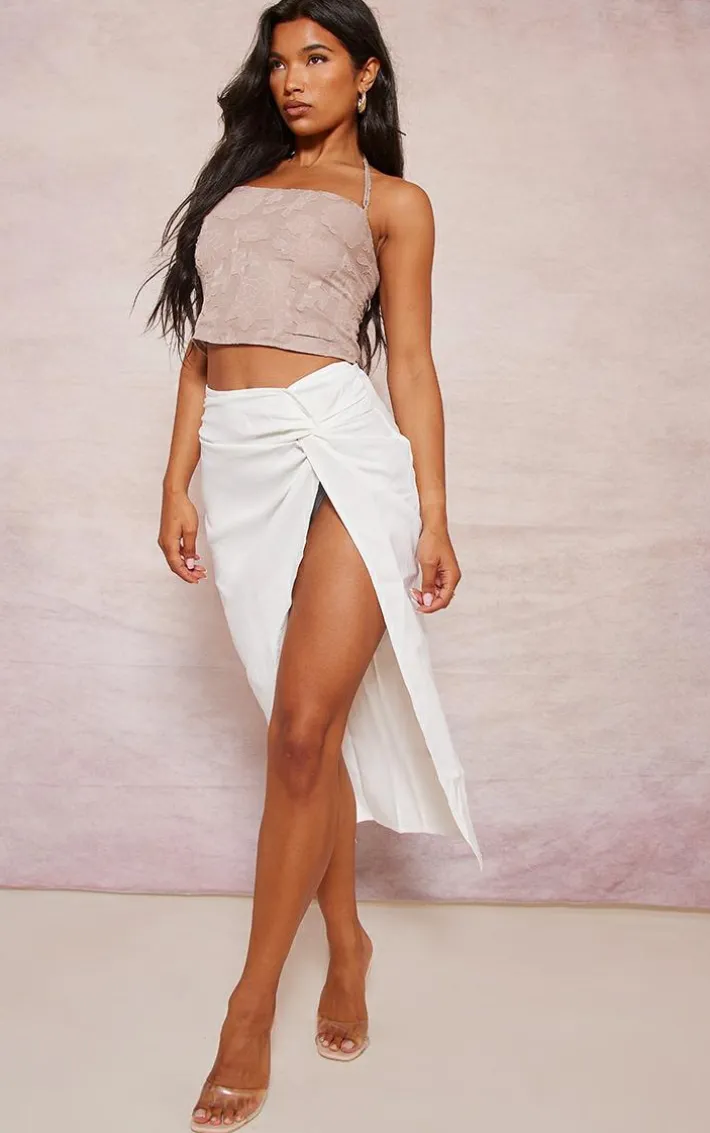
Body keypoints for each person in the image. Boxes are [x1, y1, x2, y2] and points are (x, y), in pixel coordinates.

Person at [138, 2, 483, 1128]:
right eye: (280, 62)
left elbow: (412, 362)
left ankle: (247, 1011)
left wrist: (434, 514)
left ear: (364, 74)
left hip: (342, 450)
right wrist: (177, 477)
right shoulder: (234, 190)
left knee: (298, 732)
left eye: (317, 59)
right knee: (308, 738)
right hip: (241, 460)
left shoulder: (393, 202)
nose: (292, 79)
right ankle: (346, 936)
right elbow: (201, 349)